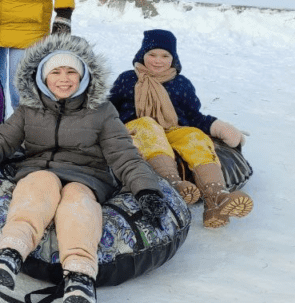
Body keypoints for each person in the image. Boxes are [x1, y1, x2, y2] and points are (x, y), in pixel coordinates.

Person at [0, 34, 166, 303]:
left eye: (71, 72)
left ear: (84, 76)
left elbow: (124, 155)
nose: (64, 79)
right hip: (39, 170)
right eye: (56, 72)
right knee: (38, 185)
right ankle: (11, 251)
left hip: (86, 176)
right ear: (43, 76)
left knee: (77, 200)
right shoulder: (30, 109)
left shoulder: (102, 112)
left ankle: (80, 276)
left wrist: (147, 190)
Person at [108, 29, 253, 228]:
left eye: (165, 56)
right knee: (148, 125)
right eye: (152, 54)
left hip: (172, 129)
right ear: (142, 55)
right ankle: (173, 184)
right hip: (138, 128)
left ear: (173, 58)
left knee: (194, 135)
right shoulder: (127, 79)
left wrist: (219, 127)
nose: (158, 61)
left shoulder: (181, 84)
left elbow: (194, 116)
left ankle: (216, 198)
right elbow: (110, 108)